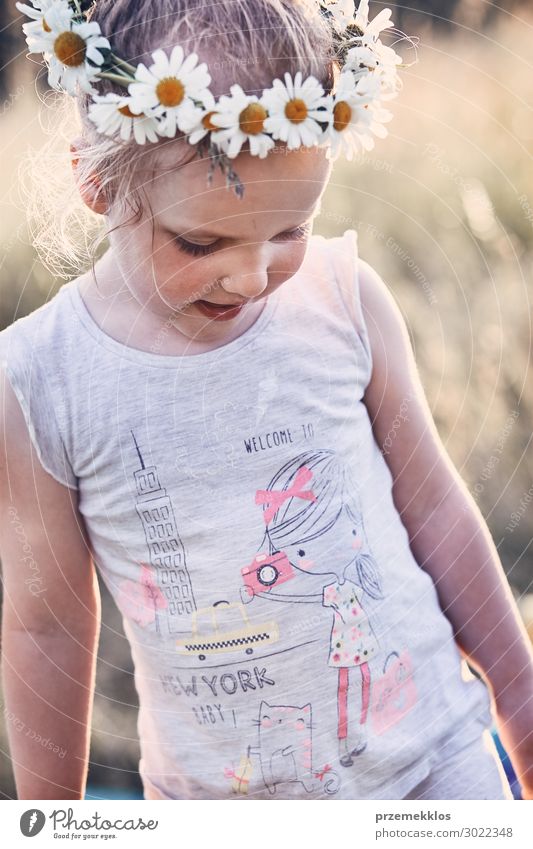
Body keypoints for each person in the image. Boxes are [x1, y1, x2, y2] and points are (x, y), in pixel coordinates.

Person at [0, 0, 531, 802]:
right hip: (224, 804)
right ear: (96, 181)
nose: (250, 277)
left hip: (434, 765)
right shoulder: (41, 378)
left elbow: (438, 512)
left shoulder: (343, 300)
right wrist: (52, 819)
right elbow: (48, 623)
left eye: (290, 229)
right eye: (200, 243)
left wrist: (519, 699)